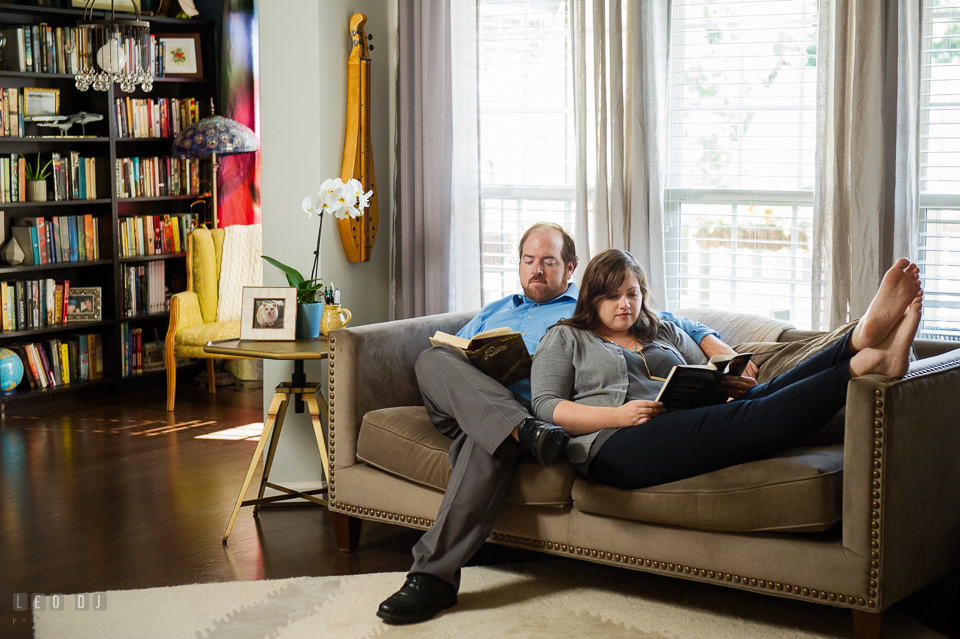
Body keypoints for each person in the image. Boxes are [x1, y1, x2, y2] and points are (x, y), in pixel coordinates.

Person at [377, 223, 751, 624]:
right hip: (477, 405)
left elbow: (670, 321)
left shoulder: (587, 307)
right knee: (432, 359)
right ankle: (522, 429)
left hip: (541, 418)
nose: (536, 270)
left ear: (570, 268)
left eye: (548, 262)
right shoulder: (495, 309)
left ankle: (430, 579)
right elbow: (451, 351)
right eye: (528, 261)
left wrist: (721, 349)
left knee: (485, 440)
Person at [531, 249, 921, 490]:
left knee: (760, 393)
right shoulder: (566, 338)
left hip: (684, 418)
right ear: (592, 298)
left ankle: (857, 339)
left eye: (632, 294)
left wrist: (722, 384)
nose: (624, 305)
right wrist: (617, 415)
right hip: (615, 446)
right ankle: (859, 364)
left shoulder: (661, 330)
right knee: (752, 413)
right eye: (612, 296)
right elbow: (546, 407)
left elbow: (702, 374)